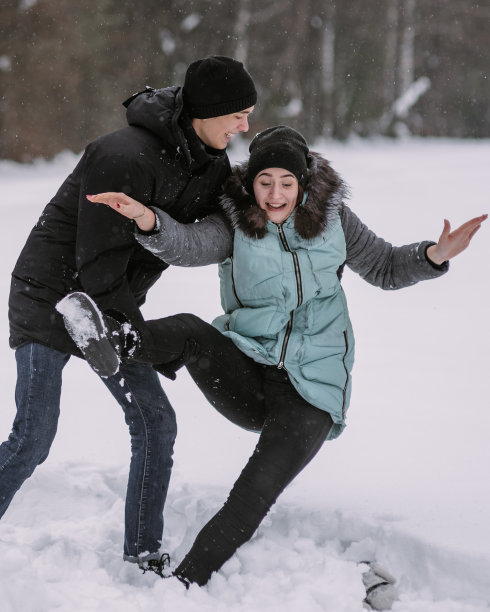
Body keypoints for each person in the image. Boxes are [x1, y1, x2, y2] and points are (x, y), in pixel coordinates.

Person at [58, 126, 486, 588]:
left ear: (303, 183)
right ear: (250, 183)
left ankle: (182, 585)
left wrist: (435, 255)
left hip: (314, 391)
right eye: (265, 182)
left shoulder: (335, 220)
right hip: (248, 370)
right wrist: (148, 220)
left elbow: (383, 266)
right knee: (188, 329)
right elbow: (187, 245)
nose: (275, 193)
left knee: (251, 495)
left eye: (286, 181)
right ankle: (114, 343)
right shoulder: (236, 222)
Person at [1, 55, 257, 573]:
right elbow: (96, 260)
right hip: (53, 297)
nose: (244, 126)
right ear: (206, 111)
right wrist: (135, 335)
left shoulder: (211, 166)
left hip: (111, 308)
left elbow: (231, 223)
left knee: (156, 423)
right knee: (33, 436)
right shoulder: (124, 155)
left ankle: (142, 551)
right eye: (237, 115)